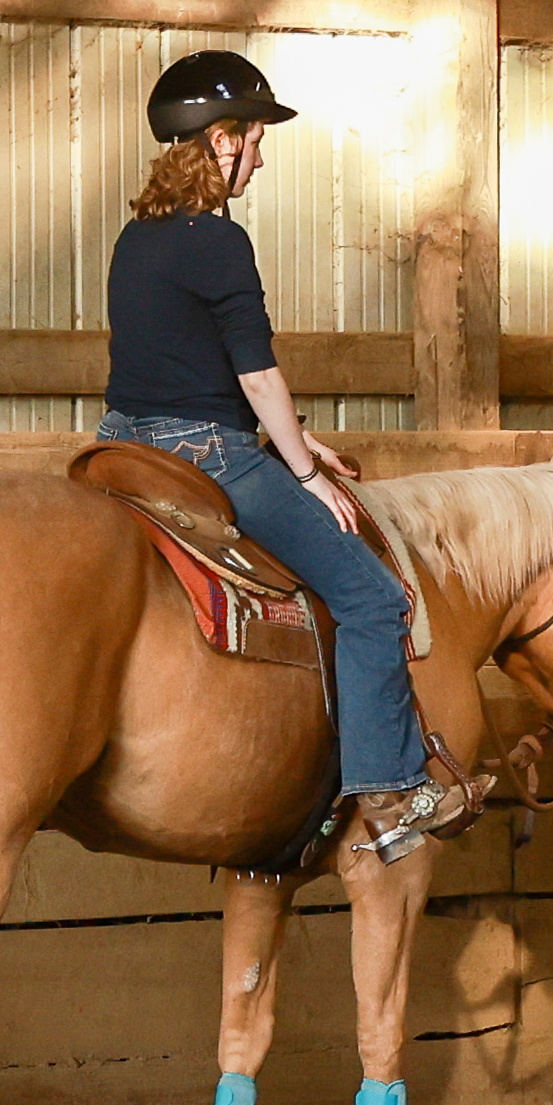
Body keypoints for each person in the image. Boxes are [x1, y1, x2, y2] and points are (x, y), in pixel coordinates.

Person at [98, 49, 474, 866]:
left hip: (123, 446)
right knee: (373, 597)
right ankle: (390, 788)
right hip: (208, 457)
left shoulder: (135, 238)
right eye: (256, 139)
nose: (261, 156)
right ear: (219, 139)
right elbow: (254, 371)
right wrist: (303, 475)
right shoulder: (219, 241)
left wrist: (295, 440)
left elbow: (175, 369)